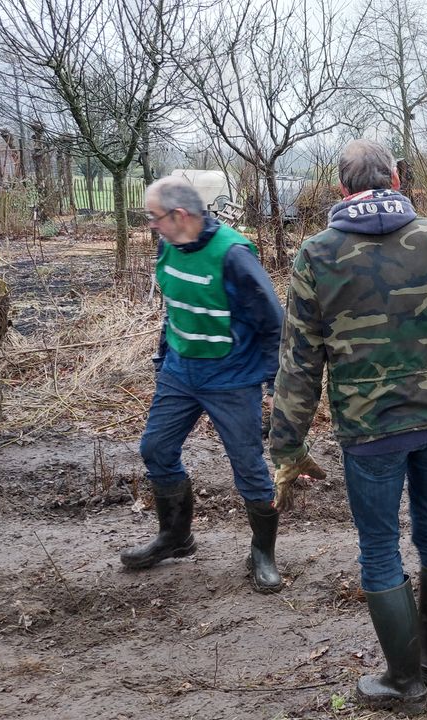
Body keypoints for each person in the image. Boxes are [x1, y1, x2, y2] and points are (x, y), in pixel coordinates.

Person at [268, 139, 427, 713]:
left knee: (378, 546)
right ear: (396, 179)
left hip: (369, 431)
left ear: (342, 189)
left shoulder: (317, 254)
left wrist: (286, 441)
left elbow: (299, 360)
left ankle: (406, 681)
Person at [122, 177, 286, 594]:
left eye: (154, 217)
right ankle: (176, 538)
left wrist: (274, 384)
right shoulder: (169, 243)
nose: (151, 226)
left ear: (179, 215)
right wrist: (164, 357)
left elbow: (272, 323)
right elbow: (174, 305)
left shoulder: (233, 255)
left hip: (230, 378)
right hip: (180, 371)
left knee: (249, 469)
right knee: (155, 449)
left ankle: (262, 554)